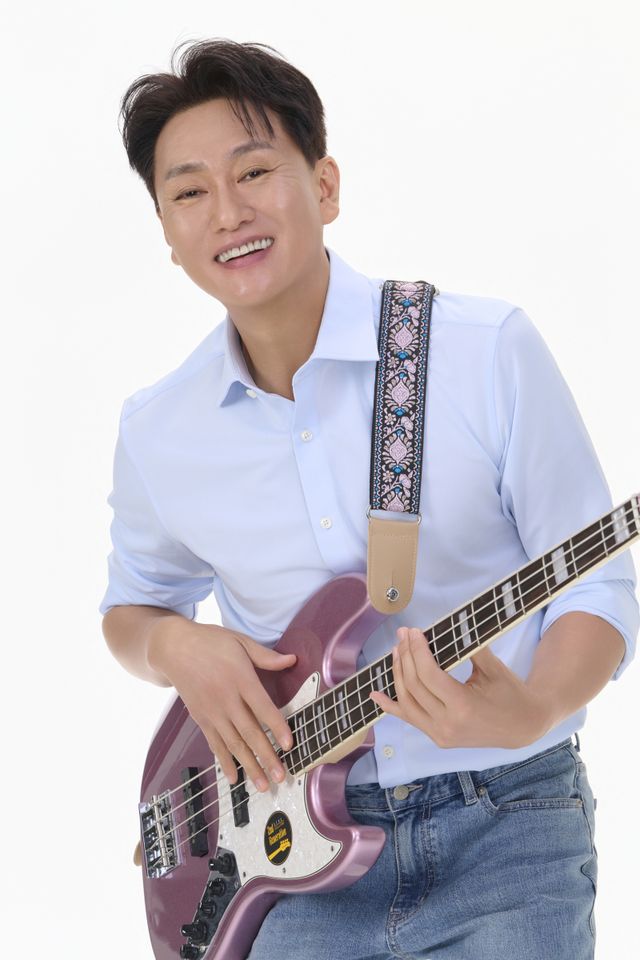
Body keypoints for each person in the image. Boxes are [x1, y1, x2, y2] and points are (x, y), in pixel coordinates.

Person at [101, 39, 638, 960]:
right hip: (281, 858)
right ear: (166, 230)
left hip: (505, 826)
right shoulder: (159, 429)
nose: (228, 212)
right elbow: (132, 608)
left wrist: (535, 707)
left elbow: (595, 580)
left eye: (255, 171)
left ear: (326, 185)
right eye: (190, 192)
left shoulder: (481, 350)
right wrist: (176, 646)